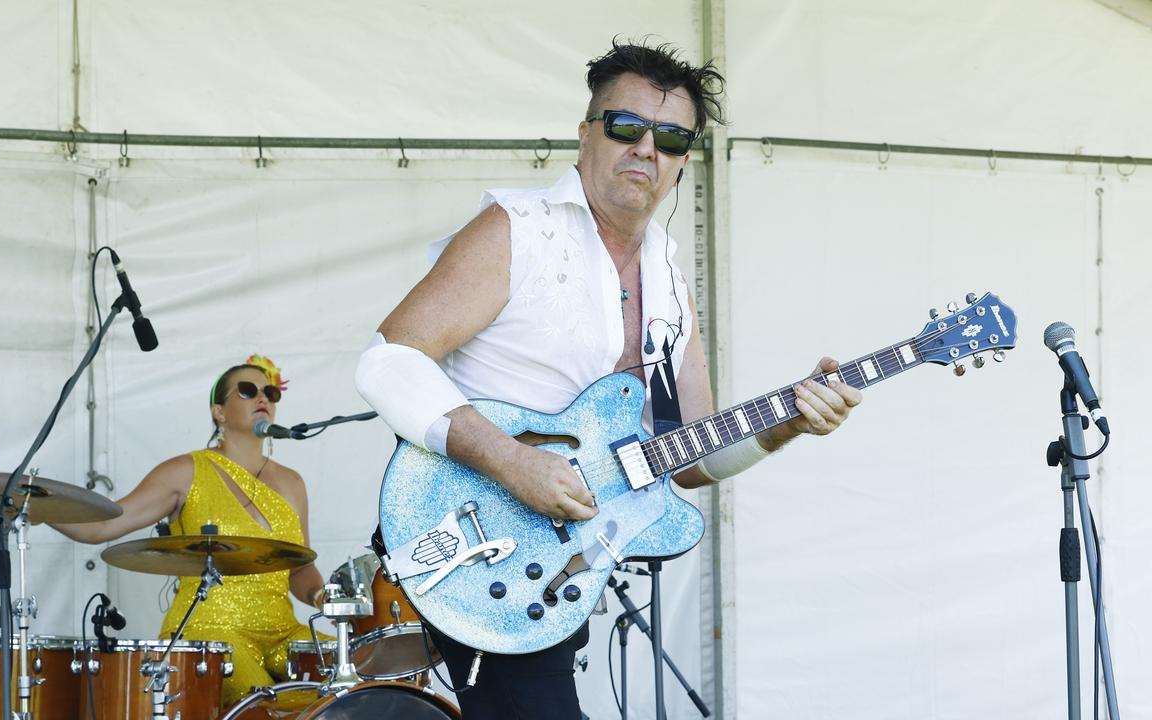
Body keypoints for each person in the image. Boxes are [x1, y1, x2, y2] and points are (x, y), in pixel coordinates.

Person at [354, 40, 863, 719]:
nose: (646, 149)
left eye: (672, 138)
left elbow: (688, 456)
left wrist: (789, 423)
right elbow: (388, 361)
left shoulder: (672, 284)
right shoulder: (519, 230)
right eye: (627, 127)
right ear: (586, 133)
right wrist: (511, 462)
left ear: (683, 161)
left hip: (559, 564)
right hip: (474, 535)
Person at [51, 355, 327, 708]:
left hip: (282, 632)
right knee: (266, 707)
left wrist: (323, 597)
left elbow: (300, 566)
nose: (263, 398)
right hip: (211, 633)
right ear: (219, 412)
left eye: (270, 392)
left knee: (345, 686)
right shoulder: (186, 471)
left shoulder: (292, 482)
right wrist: (39, 507)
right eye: (247, 390)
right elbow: (105, 525)